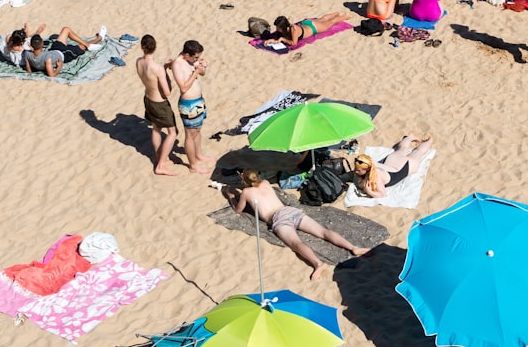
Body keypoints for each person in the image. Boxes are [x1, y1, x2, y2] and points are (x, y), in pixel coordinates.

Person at [227, 169, 370, 280]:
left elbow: (238, 210)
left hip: (278, 219)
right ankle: (353, 247)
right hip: (289, 210)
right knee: (322, 231)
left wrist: (232, 197)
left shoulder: (246, 192)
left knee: (296, 243)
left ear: (243, 179)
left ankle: (318, 264)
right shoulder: (265, 183)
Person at [136, 35, 178, 176]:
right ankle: (160, 164)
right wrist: (165, 72)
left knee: (156, 129)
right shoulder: (157, 68)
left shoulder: (138, 62)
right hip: (159, 103)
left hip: (148, 98)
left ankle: (162, 157)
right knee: (172, 132)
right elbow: (167, 92)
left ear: (142, 47)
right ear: (155, 46)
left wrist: (163, 68)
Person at [171, 40, 210, 174]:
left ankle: (198, 155)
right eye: (195, 57)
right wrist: (195, 72)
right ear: (187, 54)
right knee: (190, 134)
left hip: (198, 101)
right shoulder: (177, 64)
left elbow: (202, 74)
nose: (196, 59)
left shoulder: (190, 61)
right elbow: (183, 87)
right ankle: (193, 165)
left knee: (198, 130)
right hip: (188, 104)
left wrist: (202, 67)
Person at [352, 135, 434, 198]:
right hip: (392, 162)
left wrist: (370, 192)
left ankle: (429, 141)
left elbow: (382, 194)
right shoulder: (368, 163)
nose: (355, 171)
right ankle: (410, 137)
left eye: (358, 170)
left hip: (404, 166)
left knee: (418, 152)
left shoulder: (376, 177)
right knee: (403, 148)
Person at [264, 12, 350, 47]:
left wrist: (283, 39)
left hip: (313, 27)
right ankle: (336, 13)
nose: (276, 29)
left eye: (278, 27)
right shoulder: (286, 28)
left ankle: (345, 16)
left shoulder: (293, 30)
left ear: (282, 27)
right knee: (322, 19)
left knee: (331, 22)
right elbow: (277, 37)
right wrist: (270, 41)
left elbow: (294, 43)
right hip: (306, 24)